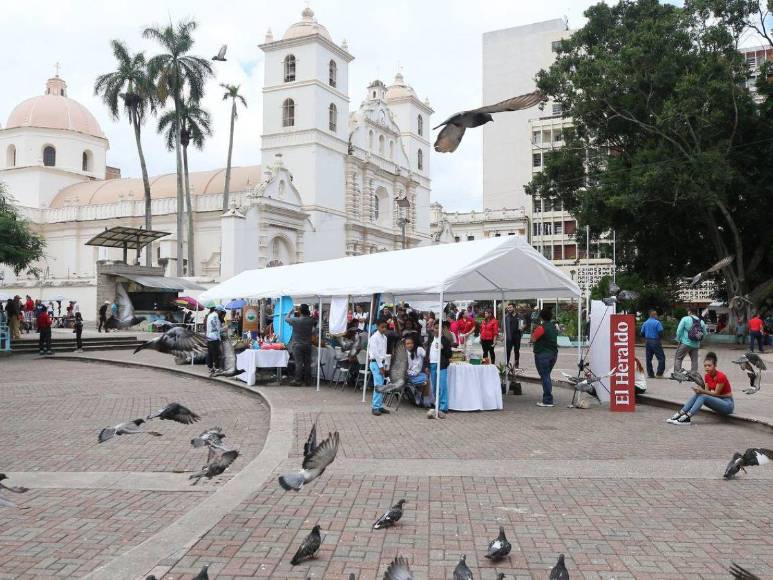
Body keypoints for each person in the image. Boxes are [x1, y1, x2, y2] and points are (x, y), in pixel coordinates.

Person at [667, 351, 733, 425]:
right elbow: (707, 392)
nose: (707, 367)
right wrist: (699, 391)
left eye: (709, 365)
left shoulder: (721, 376)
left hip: (727, 405)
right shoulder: (707, 376)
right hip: (717, 401)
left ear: (715, 365)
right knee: (699, 395)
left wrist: (702, 391)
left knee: (703, 395)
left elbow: (715, 393)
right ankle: (680, 414)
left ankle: (688, 417)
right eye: (705, 366)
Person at [532, 308, 559, 407]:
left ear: (541, 317)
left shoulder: (541, 327)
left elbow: (534, 338)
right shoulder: (553, 327)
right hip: (553, 354)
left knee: (545, 376)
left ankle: (547, 400)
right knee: (546, 376)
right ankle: (546, 397)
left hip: (543, 354)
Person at [286, 304, 317, 386]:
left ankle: (298, 380)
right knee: (307, 363)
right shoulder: (311, 320)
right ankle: (308, 381)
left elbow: (286, 319)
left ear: (300, 311)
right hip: (308, 344)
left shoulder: (296, 320)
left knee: (299, 363)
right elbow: (314, 329)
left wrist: (290, 312)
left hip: (297, 345)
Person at [428, 320, 453, 419]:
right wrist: (427, 365)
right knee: (434, 386)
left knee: (442, 386)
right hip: (432, 364)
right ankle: (436, 404)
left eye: (439, 328)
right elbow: (428, 352)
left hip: (441, 365)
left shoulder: (445, 340)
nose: (437, 329)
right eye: (435, 327)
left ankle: (443, 406)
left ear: (442, 329)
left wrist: (443, 348)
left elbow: (449, 354)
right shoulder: (431, 339)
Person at [674, 308, 707, 373]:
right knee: (694, 360)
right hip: (696, 344)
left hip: (685, 343)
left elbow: (679, 330)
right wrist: (699, 341)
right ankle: (693, 373)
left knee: (678, 358)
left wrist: (678, 339)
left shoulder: (685, 319)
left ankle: (677, 373)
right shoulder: (701, 321)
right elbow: (705, 333)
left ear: (689, 312)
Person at [368, 319, 391, 416]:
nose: (384, 329)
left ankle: (379, 405)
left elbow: (383, 353)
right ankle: (375, 407)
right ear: (377, 327)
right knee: (378, 385)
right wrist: (381, 367)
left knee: (382, 385)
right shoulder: (374, 337)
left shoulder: (384, 338)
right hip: (375, 363)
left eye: (385, 327)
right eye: (382, 327)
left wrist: (385, 365)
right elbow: (376, 354)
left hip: (381, 363)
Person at [404, 335, 429, 406]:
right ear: (405, 345)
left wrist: (426, 367)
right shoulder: (404, 354)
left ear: (414, 343)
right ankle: (425, 400)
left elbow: (427, 356)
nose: (410, 345)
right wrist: (412, 373)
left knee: (426, 380)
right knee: (426, 380)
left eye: (411, 343)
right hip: (409, 376)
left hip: (419, 374)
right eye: (407, 344)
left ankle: (419, 395)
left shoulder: (419, 349)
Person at [640, 310, 666, 378]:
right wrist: (659, 338)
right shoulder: (657, 322)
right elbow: (660, 332)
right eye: (656, 315)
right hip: (655, 341)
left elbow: (642, 333)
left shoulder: (645, 323)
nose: (657, 316)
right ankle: (659, 374)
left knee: (648, 358)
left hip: (647, 341)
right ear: (654, 315)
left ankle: (650, 374)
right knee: (661, 358)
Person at [205, 305, 224, 373]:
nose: (221, 313)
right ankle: (217, 368)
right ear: (218, 310)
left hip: (209, 336)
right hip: (214, 337)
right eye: (221, 311)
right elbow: (216, 328)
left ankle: (210, 368)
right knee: (216, 353)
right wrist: (223, 329)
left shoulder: (210, 315)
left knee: (210, 353)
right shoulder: (215, 316)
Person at [504, 303, 523, 368]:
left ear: (514, 308)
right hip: (509, 336)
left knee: (516, 351)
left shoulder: (519, 316)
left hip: (517, 336)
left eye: (510, 307)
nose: (509, 309)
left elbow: (522, 325)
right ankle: (507, 364)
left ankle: (516, 364)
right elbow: (503, 327)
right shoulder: (506, 316)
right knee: (508, 351)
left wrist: (522, 326)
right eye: (508, 308)